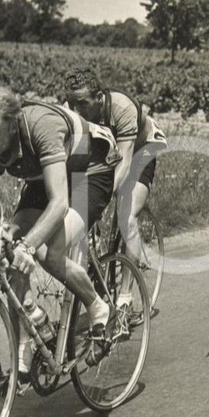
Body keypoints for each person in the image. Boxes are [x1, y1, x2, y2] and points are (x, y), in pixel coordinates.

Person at [0, 85, 120, 385]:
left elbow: (59, 203)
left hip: (89, 169)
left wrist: (29, 246)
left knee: (49, 252)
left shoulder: (41, 127)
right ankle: (25, 354)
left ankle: (100, 309)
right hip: (46, 174)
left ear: (12, 124)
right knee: (7, 247)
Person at [63, 69, 166, 274]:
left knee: (127, 218)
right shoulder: (71, 110)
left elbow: (125, 162)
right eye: (72, 103)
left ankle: (127, 289)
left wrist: (103, 197)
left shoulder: (122, 108)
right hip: (108, 147)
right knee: (81, 204)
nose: (76, 110)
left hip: (140, 149)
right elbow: (75, 160)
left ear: (99, 98)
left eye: (83, 103)